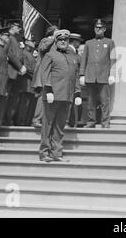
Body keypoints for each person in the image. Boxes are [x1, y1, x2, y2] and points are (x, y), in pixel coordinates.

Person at [39, 29, 81, 162]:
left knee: (60, 126)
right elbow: (44, 74)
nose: (63, 42)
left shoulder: (72, 57)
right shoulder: (50, 55)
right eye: (60, 40)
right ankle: (44, 152)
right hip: (53, 96)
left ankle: (56, 153)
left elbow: (75, 77)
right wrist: (48, 90)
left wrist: (77, 93)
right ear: (56, 41)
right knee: (48, 125)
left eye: (66, 40)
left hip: (67, 97)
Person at [79, 19, 115, 128]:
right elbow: (84, 59)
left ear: (104, 29)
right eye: (96, 27)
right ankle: (91, 121)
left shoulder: (109, 42)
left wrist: (112, 74)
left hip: (103, 76)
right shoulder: (88, 43)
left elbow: (112, 59)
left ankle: (105, 122)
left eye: (100, 28)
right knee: (91, 101)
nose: (98, 29)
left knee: (104, 101)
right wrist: (82, 75)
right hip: (90, 76)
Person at [31, 25, 58, 128]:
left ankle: (46, 120)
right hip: (44, 72)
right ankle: (36, 119)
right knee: (43, 95)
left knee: (50, 96)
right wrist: (52, 39)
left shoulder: (56, 43)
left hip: (52, 72)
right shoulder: (45, 40)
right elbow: (43, 49)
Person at [4, 23, 27, 126]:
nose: (19, 29)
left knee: (11, 98)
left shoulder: (14, 39)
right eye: (18, 27)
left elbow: (17, 54)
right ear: (12, 27)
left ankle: (8, 119)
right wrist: (19, 66)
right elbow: (10, 53)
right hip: (10, 72)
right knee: (6, 97)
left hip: (14, 73)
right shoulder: (9, 38)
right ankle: (4, 119)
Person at [16, 40, 37, 126]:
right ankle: (20, 121)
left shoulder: (31, 54)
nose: (34, 43)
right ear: (27, 43)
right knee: (23, 104)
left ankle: (25, 121)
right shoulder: (23, 53)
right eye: (32, 41)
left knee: (28, 104)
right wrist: (35, 73)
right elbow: (26, 67)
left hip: (30, 83)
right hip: (26, 82)